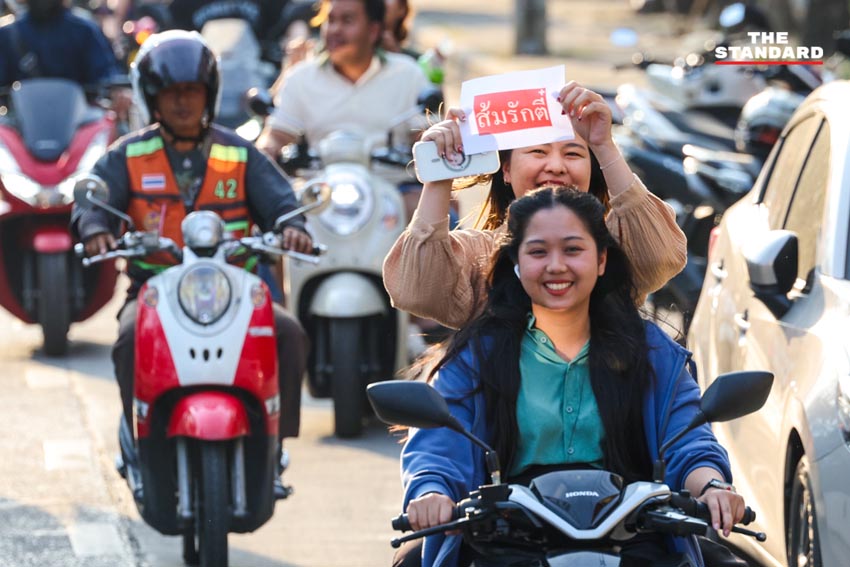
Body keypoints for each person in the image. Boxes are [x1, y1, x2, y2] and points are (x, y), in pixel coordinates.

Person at [395, 186, 746, 567]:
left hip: (634, 539)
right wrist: (432, 492)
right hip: (506, 538)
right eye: (538, 251)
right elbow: (440, 445)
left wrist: (712, 486)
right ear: (516, 262)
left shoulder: (651, 351)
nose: (556, 265)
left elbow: (688, 437)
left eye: (573, 249)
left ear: (601, 259)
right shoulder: (478, 354)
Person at [71, 30, 312, 498]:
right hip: (155, 288)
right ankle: (141, 441)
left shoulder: (238, 153)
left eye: (192, 91)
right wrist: (95, 227)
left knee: (288, 334)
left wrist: (291, 226)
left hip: (235, 289)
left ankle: (273, 446)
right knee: (125, 342)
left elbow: (282, 201)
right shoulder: (128, 154)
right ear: (153, 99)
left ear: (209, 94)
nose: (183, 103)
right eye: (172, 93)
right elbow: (93, 199)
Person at [383, 81, 687, 331]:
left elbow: (662, 257)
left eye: (573, 154)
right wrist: (440, 173)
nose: (556, 166)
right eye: (538, 152)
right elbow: (417, 291)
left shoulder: (613, 245)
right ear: (505, 170)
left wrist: (604, 145)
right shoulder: (479, 256)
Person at [256, 0, 432, 219]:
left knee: (441, 219)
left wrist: (438, 143)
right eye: (330, 20)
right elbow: (275, 136)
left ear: (374, 29)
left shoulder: (409, 74)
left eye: (347, 20)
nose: (334, 30)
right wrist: (264, 153)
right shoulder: (300, 78)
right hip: (317, 195)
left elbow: (426, 137)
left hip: (392, 195)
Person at [0, 0, 121, 87]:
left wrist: (117, 90)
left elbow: (106, 74)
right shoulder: (8, 33)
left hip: (78, 117)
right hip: (21, 119)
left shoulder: (84, 29)